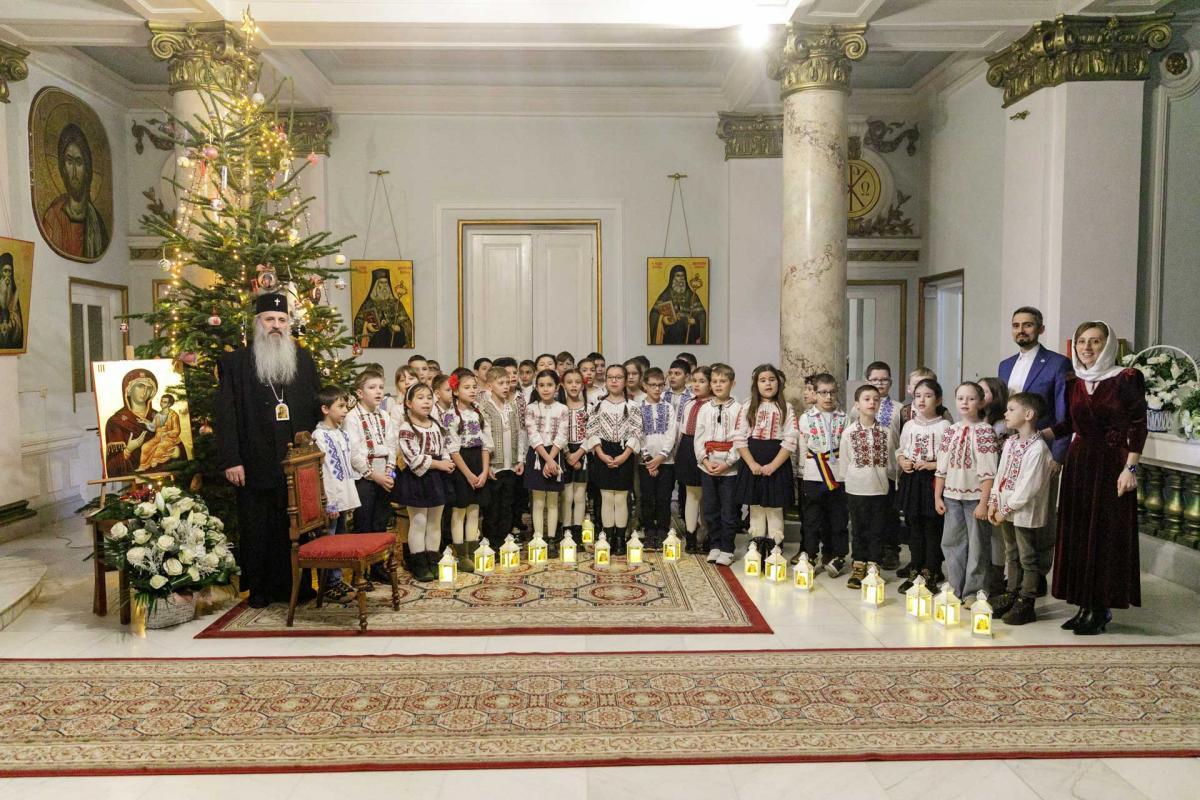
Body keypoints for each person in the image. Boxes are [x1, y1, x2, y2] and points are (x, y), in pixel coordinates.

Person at [216, 292, 321, 607]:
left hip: (294, 462)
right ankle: (260, 589)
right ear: (258, 323)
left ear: (289, 324)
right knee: (257, 526)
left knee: (293, 526)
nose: (276, 325)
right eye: (270, 319)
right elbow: (225, 415)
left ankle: (295, 586)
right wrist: (232, 459)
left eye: (282, 320)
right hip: (254, 460)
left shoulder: (303, 360)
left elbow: (315, 409)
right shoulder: (236, 363)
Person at [1046, 321, 1147, 636]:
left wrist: (1130, 468)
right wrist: (1033, 434)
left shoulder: (1126, 378)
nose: (1087, 348)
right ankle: (1083, 604)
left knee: (1104, 534)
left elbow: (1138, 424)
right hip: (1080, 463)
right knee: (1079, 531)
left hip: (1112, 464)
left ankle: (1100, 607)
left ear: (1108, 345)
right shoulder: (1074, 381)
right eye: (1081, 342)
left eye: (1095, 341)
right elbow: (1069, 423)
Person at [998, 306, 1072, 596]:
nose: (1021, 330)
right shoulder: (1005, 365)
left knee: (1038, 515)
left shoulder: (1057, 363)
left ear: (1040, 329)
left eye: (1028, 325)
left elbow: (1064, 413)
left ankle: (1038, 575)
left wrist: (1059, 455)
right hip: (1011, 448)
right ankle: (1015, 578)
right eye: (1016, 325)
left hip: (1043, 451)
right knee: (1012, 511)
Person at [988, 392, 1055, 626]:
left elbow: (1028, 488)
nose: (1005, 413)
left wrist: (1004, 509)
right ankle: (1012, 593)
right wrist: (994, 501)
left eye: (1011, 409)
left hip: (1024, 512)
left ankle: (1027, 600)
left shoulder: (1038, 449)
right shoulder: (1010, 442)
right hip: (1005, 508)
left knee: (1027, 556)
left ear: (1028, 414)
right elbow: (1000, 474)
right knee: (1011, 553)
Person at [934, 382, 999, 599]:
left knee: (978, 545)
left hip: (975, 498)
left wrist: (984, 503)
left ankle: (975, 591)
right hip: (951, 496)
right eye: (961, 398)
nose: (965, 402)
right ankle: (955, 587)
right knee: (951, 542)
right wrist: (938, 496)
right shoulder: (950, 430)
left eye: (971, 399)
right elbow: (941, 467)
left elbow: (989, 473)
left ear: (980, 402)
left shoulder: (985, 431)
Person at [392, 383, 455, 582]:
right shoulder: (406, 428)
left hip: (437, 477)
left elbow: (445, 446)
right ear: (409, 403)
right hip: (417, 479)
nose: (426, 402)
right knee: (418, 521)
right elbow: (413, 459)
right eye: (420, 398)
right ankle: (418, 563)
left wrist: (447, 461)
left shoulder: (436, 424)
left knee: (435, 521)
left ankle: (433, 559)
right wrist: (439, 464)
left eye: (429, 397)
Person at [733, 364, 796, 560]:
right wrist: (752, 464)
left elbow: (791, 439)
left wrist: (773, 465)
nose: (768, 384)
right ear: (756, 384)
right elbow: (739, 437)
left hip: (777, 464)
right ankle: (756, 547)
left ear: (779, 383)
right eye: (763, 380)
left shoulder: (786, 408)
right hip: (752, 463)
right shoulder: (747, 406)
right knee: (756, 506)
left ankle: (775, 549)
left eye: (772, 379)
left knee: (775, 507)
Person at [895, 378, 952, 593]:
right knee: (914, 526)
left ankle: (932, 569)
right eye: (918, 396)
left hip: (933, 479)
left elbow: (949, 459)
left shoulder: (944, 426)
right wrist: (902, 460)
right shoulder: (910, 425)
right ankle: (916, 567)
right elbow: (901, 449)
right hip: (912, 479)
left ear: (938, 400)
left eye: (928, 396)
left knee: (932, 527)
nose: (922, 400)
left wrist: (931, 464)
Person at [837, 384, 896, 589]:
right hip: (856, 488)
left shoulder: (886, 432)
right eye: (867, 399)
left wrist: (890, 481)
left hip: (879, 488)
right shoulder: (849, 432)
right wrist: (847, 482)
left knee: (877, 528)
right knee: (859, 528)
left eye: (876, 399)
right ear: (857, 404)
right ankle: (859, 564)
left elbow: (891, 461)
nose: (872, 402)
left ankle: (874, 565)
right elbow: (845, 461)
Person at [585, 364, 642, 555]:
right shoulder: (598, 405)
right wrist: (600, 454)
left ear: (625, 381)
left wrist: (625, 455)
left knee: (621, 497)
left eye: (619, 377)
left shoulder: (633, 407)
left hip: (624, 452)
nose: (614, 381)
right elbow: (592, 430)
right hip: (603, 451)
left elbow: (636, 432)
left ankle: (620, 538)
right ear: (606, 381)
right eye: (610, 377)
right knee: (607, 497)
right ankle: (608, 537)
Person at [795, 373, 849, 577]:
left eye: (832, 392)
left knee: (837, 517)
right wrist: (801, 471)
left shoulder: (844, 417)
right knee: (812, 517)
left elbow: (846, 446)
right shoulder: (806, 417)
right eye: (823, 392)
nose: (828, 397)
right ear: (815, 394)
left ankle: (837, 554)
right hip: (813, 474)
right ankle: (810, 554)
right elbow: (803, 445)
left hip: (837, 475)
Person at [312, 386, 359, 603]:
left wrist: (349, 499)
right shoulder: (319, 436)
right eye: (340, 406)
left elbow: (346, 468)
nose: (345, 410)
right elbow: (324, 473)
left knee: (340, 540)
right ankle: (328, 583)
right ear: (325, 409)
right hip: (331, 500)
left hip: (344, 495)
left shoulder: (340, 433)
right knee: (329, 541)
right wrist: (329, 503)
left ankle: (337, 580)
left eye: (345, 406)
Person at [694, 363, 742, 566]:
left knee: (728, 510)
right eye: (714, 381)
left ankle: (727, 548)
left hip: (729, 469)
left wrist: (728, 462)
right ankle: (714, 544)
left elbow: (740, 438)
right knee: (710, 508)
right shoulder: (705, 408)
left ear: (732, 383)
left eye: (723, 381)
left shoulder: (739, 409)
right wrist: (704, 460)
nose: (718, 385)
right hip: (708, 466)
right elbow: (699, 437)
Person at [446, 368, 492, 573]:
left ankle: (472, 549)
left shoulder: (478, 413)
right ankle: (460, 553)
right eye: (467, 387)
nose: (472, 390)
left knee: (474, 509)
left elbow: (486, 444)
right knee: (460, 510)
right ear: (456, 391)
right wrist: (469, 475)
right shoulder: (451, 416)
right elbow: (453, 450)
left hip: (478, 462)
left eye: (474, 387)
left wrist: (484, 471)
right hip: (461, 465)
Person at [40, 123, 109, 259]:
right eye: (69, 161)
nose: (74, 172)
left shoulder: (97, 223)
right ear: (62, 167)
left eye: (79, 162)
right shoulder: (52, 219)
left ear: (87, 169)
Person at [480, 365, 526, 544]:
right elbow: (484, 438)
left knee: (507, 504)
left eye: (507, 383)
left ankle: (504, 539)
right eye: (501, 383)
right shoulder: (484, 408)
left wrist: (520, 459)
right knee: (493, 506)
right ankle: (491, 541)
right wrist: (488, 465)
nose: (506, 386)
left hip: (511, 464)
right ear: (490, 386)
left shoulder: (512, 407)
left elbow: (520, 433)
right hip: (494, 465)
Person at [524, 369, 569, 554]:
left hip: (555, 453)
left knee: (552, 500)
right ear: (536, 387)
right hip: (537, 455)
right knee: (538, 501)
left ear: (557, 387)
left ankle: (551, 540)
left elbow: (563, 435)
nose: (545, 389)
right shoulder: (531, 408)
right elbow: (533, 434)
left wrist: (552, 459)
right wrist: (548, 460)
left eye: (549, 385)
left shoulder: (563, 409)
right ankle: (538, 539)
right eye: (541, 385)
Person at [348, 370, 397, 537]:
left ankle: (379, 554)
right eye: (372, 387)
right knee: (364, 522)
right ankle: (363, 554)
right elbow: (354, 453)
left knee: (381, 521)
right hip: (365, 478)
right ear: (360, 393)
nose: (378, 391)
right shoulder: (352, 417)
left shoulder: (384, 416)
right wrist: (374, 475)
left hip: (385, 475)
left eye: (381, 387)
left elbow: (391, 444)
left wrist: (389, 471)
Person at [639, 367, 679, 550]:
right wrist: (648, 458)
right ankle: (649, 531)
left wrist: (662, 456)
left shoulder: (668, 407)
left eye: (660, 385)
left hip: (666, 461)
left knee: (664, 497)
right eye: (653, 385)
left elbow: (672, 433)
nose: (657, 389)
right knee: (647, 497)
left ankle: (662, 530)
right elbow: (638, 433)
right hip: (645, 462)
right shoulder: (638, 407)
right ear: (644, 385)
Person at [980, 376, 1012, 593]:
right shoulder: (981, 419)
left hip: (996, 482)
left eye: (984, 391)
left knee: (996, 534)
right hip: (981, 481)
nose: (979, 395)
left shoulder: (1000, 425)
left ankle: (997, 576)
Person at [675, 366, 711, 553]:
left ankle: (705, 534)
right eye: (694, 381)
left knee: (707, 496)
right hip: (688, 447)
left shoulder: (713, 405)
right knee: (692, 493)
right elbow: (682, 429)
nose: (696, 385)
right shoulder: (689, 403)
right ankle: (690, 535)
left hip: (707, 448)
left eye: (702, 381)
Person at [559, 368, 590, 542]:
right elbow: (558, 434)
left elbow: (592, 432)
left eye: (577, 382)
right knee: (566, 495)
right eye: (569, 382)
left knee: (579, 494)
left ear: (582, 385)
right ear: (563, 385)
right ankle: (566, 529)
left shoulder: (588, 407)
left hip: (583, 451)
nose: (573, 386)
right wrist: (568, 454)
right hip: (564, 451)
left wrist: (579, 453)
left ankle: (578, 530)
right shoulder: (560, 407)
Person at [352, 268, 412, 349]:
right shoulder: (369, 304)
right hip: (374, 344)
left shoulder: (396, 303)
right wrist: (367, 326)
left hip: (394, 344)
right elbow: (358, 322)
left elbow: (406, 323)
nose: (384, 286)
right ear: (376, 285)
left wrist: (400, 328)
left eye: (386, 283)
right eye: (381, 283)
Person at [649, 263, 707, 345]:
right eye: (678, 276)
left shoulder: (691, 295)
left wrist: (695, 321)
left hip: (688, 335)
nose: (681, 278)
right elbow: (654, 313)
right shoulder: (665, 295)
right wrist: (662, 319)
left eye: (683, 276)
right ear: (672, 277)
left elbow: (702, 315)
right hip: (669, 336)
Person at [0, 253, 26, 349]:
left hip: (9, 314)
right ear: (1, 272)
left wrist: (10, 321)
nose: (7, 274)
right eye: (5, 271)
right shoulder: (1, 283)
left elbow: (13, 304)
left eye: (9, 271)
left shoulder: (11, 284)